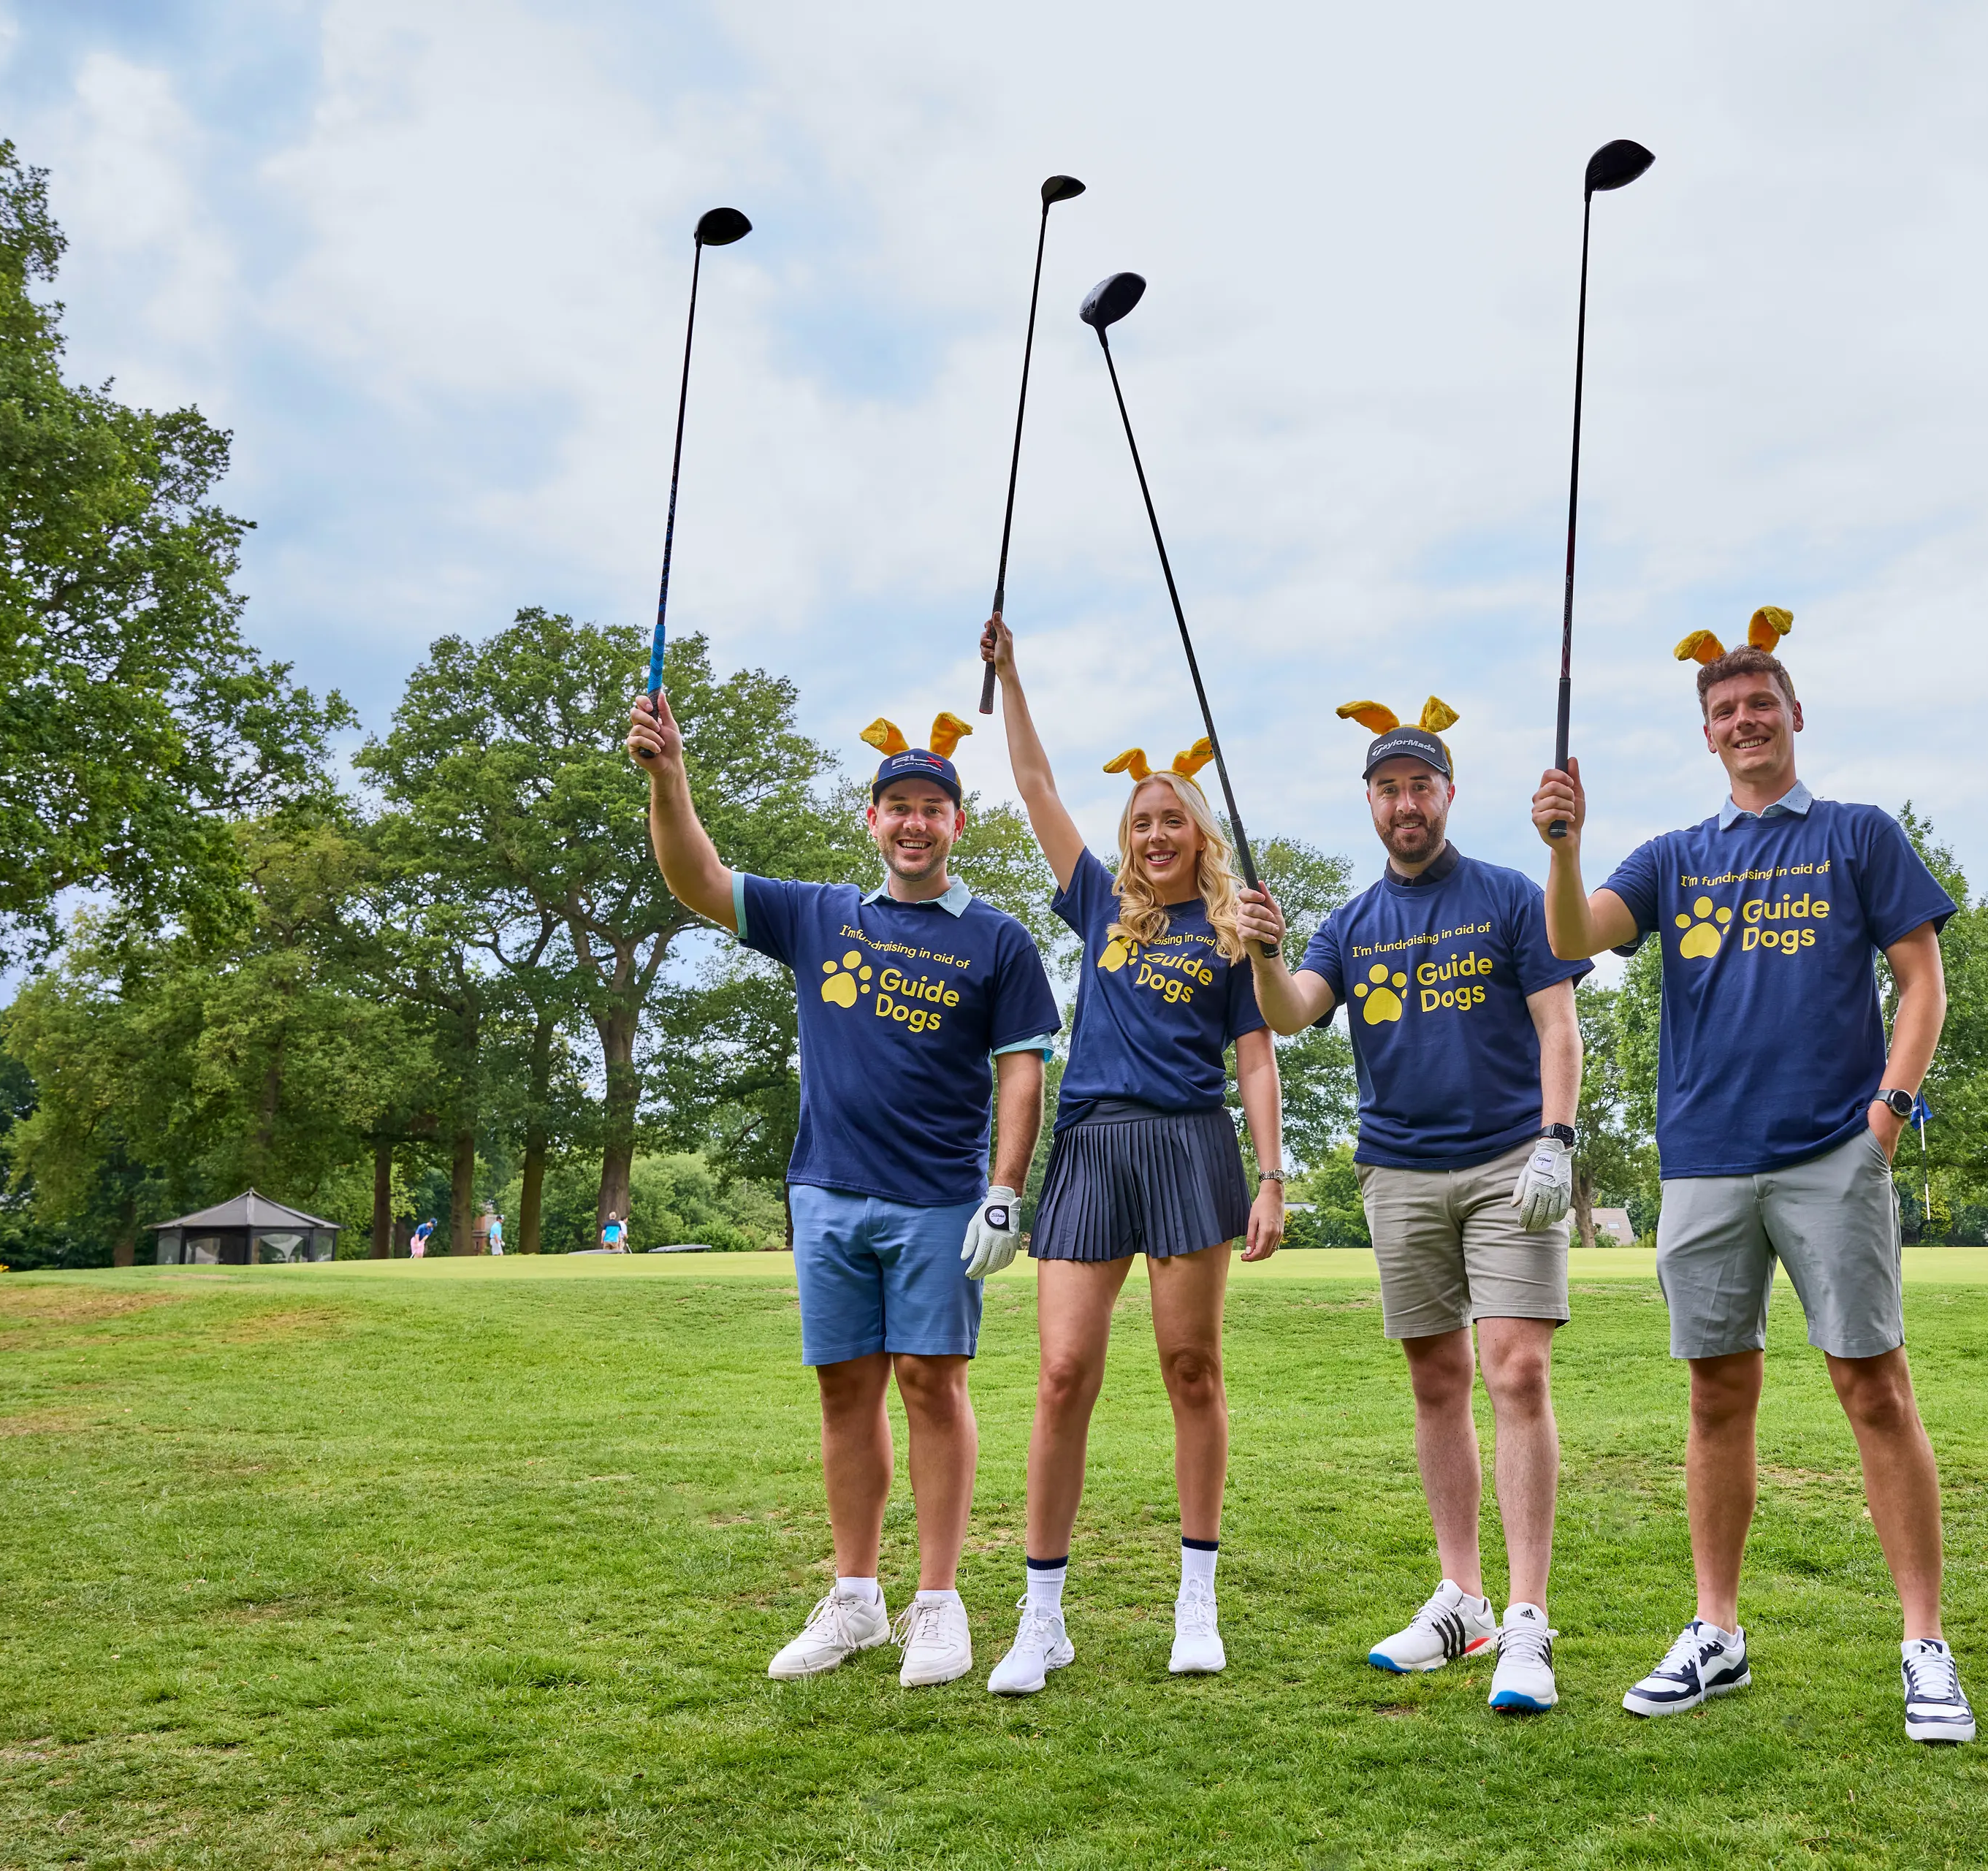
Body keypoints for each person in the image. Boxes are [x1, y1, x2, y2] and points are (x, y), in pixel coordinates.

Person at [1531, 607, 1977, 1742]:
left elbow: (1922, 982)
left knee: (1874, 1390)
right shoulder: (1675, 856)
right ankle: (1716, 1634)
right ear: (1706, 734)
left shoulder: (1859, 834)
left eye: (1759, 704)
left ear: (1794, 716)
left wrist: (1889, 1112)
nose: (1743, 722)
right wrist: (1564, 841)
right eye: (1723, 711)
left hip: (1834, 1152)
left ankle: (1926, 1647)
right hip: (1708, 1165)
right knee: (1716, 1397)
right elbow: (1576, 936)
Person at [630, 687, 1060, 1689]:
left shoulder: (996, 940)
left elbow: (1022, 1071)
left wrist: (1005, 1190)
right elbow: (695, 875)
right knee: (844, 1390)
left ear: (958, 824)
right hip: (826, 1192)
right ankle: (857, 1599)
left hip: (937, 1197)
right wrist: (669, 778)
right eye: (897, 806)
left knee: (931, 1386)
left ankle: (939, 1604)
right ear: (871, 820)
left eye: (932, 808)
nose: (915, 823)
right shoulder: (820, 913)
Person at [1235, 694, 1588, 1715]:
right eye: (1387, 789)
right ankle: (1463, 1600)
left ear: (1447, 794)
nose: (1404, 804)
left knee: (1514, 1368)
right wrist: (1263, 950)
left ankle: (1526, 1617)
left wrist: (1558, 1140)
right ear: (1371, 803)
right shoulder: (1350, 921)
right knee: (1437, 1380)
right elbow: (1293, 1015)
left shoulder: (1512, 896)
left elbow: (1558, 1027)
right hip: (1397, 1170)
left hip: (1508, 1163)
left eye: (1419, 786)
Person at [976, 619, 1286, 1696]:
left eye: (1173, 822)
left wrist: (1274, 1176)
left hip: (1193, 1147)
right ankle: (1043, 1615)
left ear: (1200, 834)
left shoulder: (1233, 931)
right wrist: (1011, 675)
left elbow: (1255, 1060)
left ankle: (1195, 1599)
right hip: (1094, 1149)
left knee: (1190, 1369)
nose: (1156, 836)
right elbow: (1031, 781)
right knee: (1063, 1375)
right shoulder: (1100, 901)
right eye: (1142, 822)